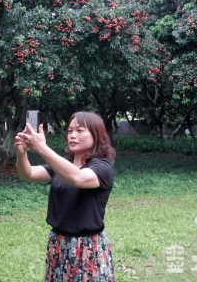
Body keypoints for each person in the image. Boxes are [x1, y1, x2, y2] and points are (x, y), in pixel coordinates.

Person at [15, 111, 116, 282]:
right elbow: (28, 174)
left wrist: (41, 148)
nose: (72, 136)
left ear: (96, 135)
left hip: (87, 247)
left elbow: (78, 178)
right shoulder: (62, 166)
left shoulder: (103, 167)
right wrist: (21, 153)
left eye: (80, 130)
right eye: (69, 131)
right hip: (58, 243)